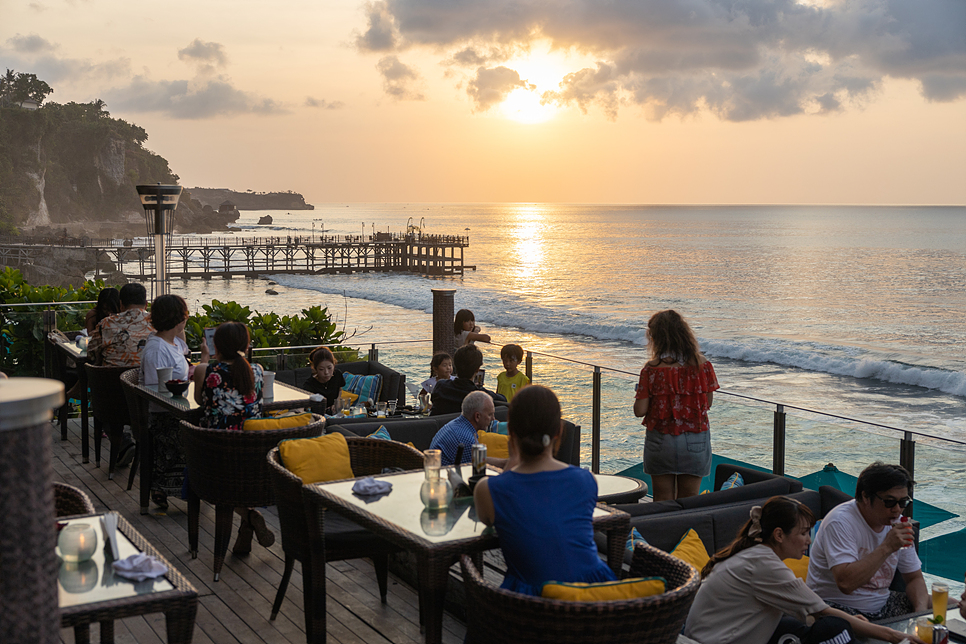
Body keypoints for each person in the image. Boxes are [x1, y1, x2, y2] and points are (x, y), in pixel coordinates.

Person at [684, 496, 924, 644]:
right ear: (779, 535)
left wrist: (851, 620)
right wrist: (894, 636)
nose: (809, 540)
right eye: (802, 533)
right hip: (715, 640)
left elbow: (808, 609)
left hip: (707, 635)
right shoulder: (764, 565)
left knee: (820, 626)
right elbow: (822, 612)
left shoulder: (755, 554)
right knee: (833, 629)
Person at [473, 385, 616, 596]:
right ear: (559, 431)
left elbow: (490, 520)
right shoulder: (585, 480)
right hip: (596, 598)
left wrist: (513, 460)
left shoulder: (489, 489)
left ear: (510, 432)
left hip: (532, 605)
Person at [807, 462, 929, 620]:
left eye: (902, 502)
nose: (897, 509)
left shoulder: (898, 523)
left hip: (882, 603)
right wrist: (887, 547)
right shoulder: (840, 522)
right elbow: (845, 584)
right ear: (865, 496)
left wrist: (921, 614)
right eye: (889, 502)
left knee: (948, 604)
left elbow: (914, 578)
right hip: (836, 607)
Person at [191, 321, 273, 553]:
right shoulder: (256, 370)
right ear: (246, 345)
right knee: (236, 483)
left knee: (211, 481)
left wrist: (205, 360)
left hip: (216, 451)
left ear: (215, 345)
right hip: (252, 450)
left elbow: (200, 401)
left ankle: (249, 515)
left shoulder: (206, 370)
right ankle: (247, 525)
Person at [632, 309, 718, 501]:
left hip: (661, 440)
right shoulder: (703, 366)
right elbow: (708, 403)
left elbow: (640, 411)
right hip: (695, 438)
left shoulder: (651, 369)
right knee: (689, 500)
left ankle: (663, 531)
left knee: (662, 501)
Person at [138, 294, 191, 510]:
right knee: (204, 432)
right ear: (178, 319)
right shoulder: (156, 349)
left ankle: (194, 484)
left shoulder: (175, 342)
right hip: (161, 415)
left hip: (177, 408)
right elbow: (154, 391)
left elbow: (184, 363)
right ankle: (176, 485)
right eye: (185, 316)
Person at [428, 391, 507, 468]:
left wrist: (504, 463)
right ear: (477, 416)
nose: (493, 418)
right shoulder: (466, 440)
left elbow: (477, 459)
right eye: (490, 414)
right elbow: (474, 471)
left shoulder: (457, 424)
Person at [87, 282, 153, 367]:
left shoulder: (106, 324)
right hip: (147, 377)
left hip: (111, 378)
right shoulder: (156, 322)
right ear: (146, 304)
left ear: (121, 304)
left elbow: (91, 353)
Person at [430, 344, 505, 416]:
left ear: (455, 365)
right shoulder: (479, 395)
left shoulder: (441, 386)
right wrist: (478, 388)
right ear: (477, 369)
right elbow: (503, 400)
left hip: (438, 428)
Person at [301, 346, 345, 413]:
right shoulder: (310, 384)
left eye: (329, 368)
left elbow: (339, 389)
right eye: (321, 369)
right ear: (315, 369)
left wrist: (337, 402)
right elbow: (304, 406)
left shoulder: (337, 375)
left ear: (334, 365)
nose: (326, 373)